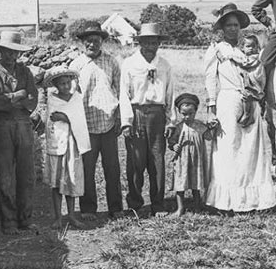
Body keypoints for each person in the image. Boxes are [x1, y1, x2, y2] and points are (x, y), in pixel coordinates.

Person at [203, 3, 276, 212]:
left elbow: (260, 77)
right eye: (228, 25)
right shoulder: (218, 50)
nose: (232, 29)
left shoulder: (248, 50)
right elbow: (210, 79)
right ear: (222, 28)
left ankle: (253, 200)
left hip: (250, 101)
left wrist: (255, 94)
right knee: (229, 148)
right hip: (228, 101)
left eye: (236, 25)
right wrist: (211, 106)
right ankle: (226, 201)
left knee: (250, 149)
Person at [119, 22, 176, 217]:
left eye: (154, 41)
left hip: (157, 115)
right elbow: (124, 94)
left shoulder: (164, 65)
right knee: (136, 161)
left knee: (157, 160)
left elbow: (169, 94)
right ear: (140, 42)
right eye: (147, 41)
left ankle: (158, 204)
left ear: (159, 43)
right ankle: (135, 204)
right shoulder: (129, 64)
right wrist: (126, 122)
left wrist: (170, 121)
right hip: (137, 113)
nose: (151, 45)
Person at [0, 31, 38, 234]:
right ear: (0, 51)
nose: (10, 56)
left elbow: (32, 97)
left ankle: (25, 219)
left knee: (26, 174)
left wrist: (14, 98)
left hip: (23, 124)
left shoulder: (25, 72)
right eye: (7, 51)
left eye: (14, 52)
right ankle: (8, 222)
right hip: (2, 125)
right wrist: (18, 95)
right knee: (5, 175)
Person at [70, 21, 123, 220]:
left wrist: (118, 117)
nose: (92, 44)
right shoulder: (76, 65)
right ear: (82, 43)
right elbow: (72, 97)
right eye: (88, 41)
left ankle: (116, 207)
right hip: (86, 125)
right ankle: (88, 209)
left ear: (102, 41)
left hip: (108, 123)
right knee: (87, 169)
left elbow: (119, 90)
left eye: (96, 40)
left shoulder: (111, 61)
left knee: (112, 168)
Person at [44, 66, 91, 229]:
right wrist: (61, 119)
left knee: (71, 179)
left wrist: (65, 117)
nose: (64, 86)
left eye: (67, 83)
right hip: (57, 143)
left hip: (73, 144)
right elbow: (50, 120)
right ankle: (58, 217)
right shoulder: (52, 99)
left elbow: (79, 120)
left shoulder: (76, 98)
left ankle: (71, 215)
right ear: (56, 85)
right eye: (61, 84)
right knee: (57, 182)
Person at [167, 93, 208, 216]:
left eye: (191, 113)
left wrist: (212, 127)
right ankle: (180, 208)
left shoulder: (200, 126)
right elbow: (171, 142)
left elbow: (209, 136)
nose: (187, 116)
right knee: (180, 184)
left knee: (196, 184)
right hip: (182, 161)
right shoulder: (179, 128)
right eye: (184, 114)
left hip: (196, 160)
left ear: (196, 111)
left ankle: (197, 207)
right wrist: (174, 146)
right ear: (179, 112)